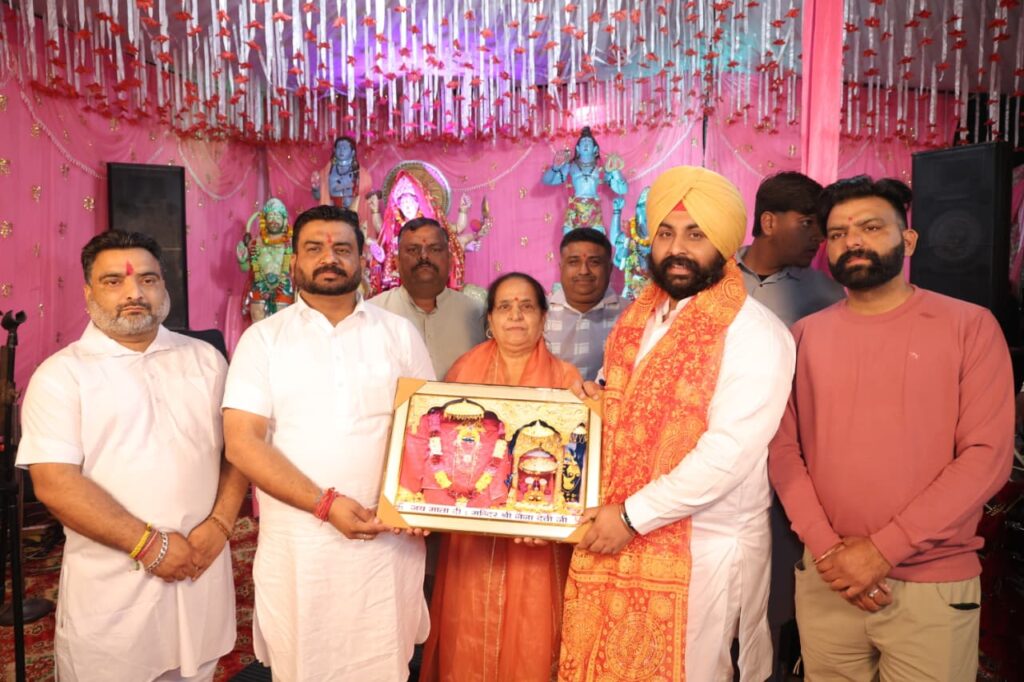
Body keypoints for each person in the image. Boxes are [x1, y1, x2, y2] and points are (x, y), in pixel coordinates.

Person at [768, 176, 1014, 681]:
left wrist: (883, 551)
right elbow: (783, 452)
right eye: (838, 233)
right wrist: (828, 551)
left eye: (871, 227)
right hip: (828, 579)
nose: (852, 241)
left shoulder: (969, 326)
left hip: (932, 585)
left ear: (909, 240)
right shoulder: (803, 337)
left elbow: (986, 457)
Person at [559, 166, 796, 681]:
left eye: (695, 235)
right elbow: (619, 400)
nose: (677, 249)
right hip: (621, 533)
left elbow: (727, 454)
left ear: (725, 244)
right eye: (666, 233)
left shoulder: (754, 333)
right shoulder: (639, 320)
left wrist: (629, 517)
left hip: (704, 549)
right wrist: (595, 401)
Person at [17, 230, 246, 681]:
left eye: (148, 279)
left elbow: (238, 450)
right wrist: (150, 547)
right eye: (114, 281)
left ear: (164, 286)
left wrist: (221, 524)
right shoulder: (62, 376)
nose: (134, 293)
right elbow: (55, 484)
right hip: (115, 593)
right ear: (88, 292)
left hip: (201, 571)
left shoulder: (207, 360)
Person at [222, 204, 436, 681]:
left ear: (362, 258)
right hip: (301, 547)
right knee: (304, 660)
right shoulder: (264, 339)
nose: (329, 258)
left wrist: (421, 504)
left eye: (342, 248)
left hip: (387, 544)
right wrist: (325, 504)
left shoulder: (398, 334)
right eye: (314, 248)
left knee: (384, 660)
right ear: (295, 259)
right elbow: (242, 444)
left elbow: (426, 431)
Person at [420, 272, 583, 682]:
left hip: (537, 539)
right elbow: (436, 449)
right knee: (466, 625)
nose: (516, 316)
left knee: (531, 630)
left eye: (527, 307)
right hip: (470, 537)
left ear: (543, 318)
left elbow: (576, 471)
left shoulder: (567, 381)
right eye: (505, 307)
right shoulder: (463, 372)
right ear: (490, 319)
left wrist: (554, 518)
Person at [369, 217, 485, 379]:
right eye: (413, 250)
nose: (424, 256)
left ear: (450, 261)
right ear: (396, 262)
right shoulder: (372, 315)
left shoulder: (478, 315)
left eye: (435, 249)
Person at [737, 171, 846, 328]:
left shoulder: (826, 293)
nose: (821, 237)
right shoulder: (714, 273)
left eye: (821, 226)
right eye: (807, 223)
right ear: (769, 223)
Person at [544, 228, 622, 381]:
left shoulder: (632, 314)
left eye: (594, 262)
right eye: (574, 262)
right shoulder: (540, 313)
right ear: (561, 268)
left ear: (609, 269)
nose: (584, 271)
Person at [542, 126, 628, 233]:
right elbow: (547, 181)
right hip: (574, 210)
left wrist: (616, 171)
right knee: (570, 241)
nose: (586, 144)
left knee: (597, 241)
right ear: (578, 148)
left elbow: (623, 190)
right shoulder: (570, 167)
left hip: (594, 210)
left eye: (589, 142)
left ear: (595, 149)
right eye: (583, 142)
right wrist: (555, 168)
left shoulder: (601, 168)